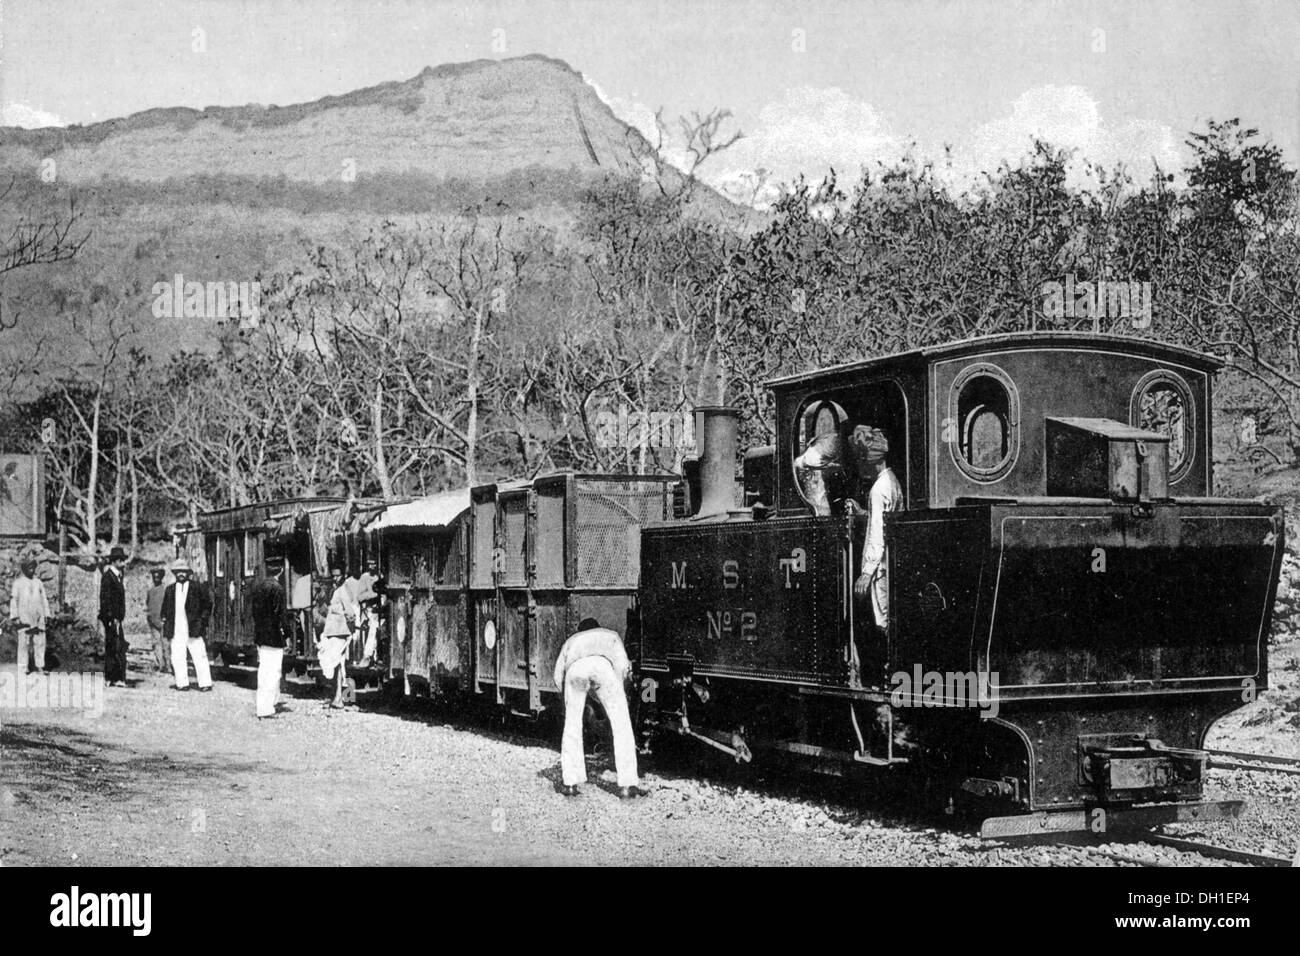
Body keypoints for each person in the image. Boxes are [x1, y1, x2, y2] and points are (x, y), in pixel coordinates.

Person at [552, 617, 641, 799]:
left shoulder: (571, 640)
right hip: (603, 668)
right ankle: (627, 784)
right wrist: (616, 691)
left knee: (572, 726)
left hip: (575, 670)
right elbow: (623, 667)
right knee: (621, 724)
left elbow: (557, 675)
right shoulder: (610, 635)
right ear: (597, 627)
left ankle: (570, 784)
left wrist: (567, 699)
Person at [849, 425, 903, 681]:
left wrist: (865, 573)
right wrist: (863, 513)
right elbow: (881, 519)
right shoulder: (891, 481)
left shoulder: (877, 489)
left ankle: (887, 676)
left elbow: (877, 534)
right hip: (892, 560)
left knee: (882, 619)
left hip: (881, 566)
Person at [163, 557, 214, 692]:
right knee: (177, 656)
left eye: (183, 571)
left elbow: (207, 605)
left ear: (188, 573)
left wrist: (202, 621)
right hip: (176, 627)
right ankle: (182, 683)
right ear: (174, 573)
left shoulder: (197, 587)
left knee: (199, 654)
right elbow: (165, 609)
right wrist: (167, 625)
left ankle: (205, 683)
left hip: (193, 627)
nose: (180, 574)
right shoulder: (170, 590)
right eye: (178, 571)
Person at [248, 562, 288, 720]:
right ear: (282, 570)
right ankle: (267, 708)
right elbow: (281, 615)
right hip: (274, 636)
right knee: (273, 672)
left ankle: (265, 704)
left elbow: (254, 612)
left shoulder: (258, 588)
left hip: (261, 635)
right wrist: (288, 634)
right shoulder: (278, 588)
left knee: (264, 671)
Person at [319, 565, 358, 709]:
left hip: (341, 632)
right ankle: (340, 698)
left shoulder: (343, 591)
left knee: (339, 664)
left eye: (338, 576)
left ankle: (344, 698)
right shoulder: (335, 591)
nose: (335, 578)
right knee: (339, 665)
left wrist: (352, 628)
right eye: (333, 576)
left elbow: (350, 612)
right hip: (334, 632)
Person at [9, 557, 50, 674]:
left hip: (38, 616)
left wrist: (46, 614)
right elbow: (13, 600)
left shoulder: (38, 583)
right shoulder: (18, 583)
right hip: (24, 616)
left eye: (33, 567)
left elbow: (44, 599)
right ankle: (23, 666)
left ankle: (40, 665)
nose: (31, 570)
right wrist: (15, 616)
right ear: (24, 569)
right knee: (24, 642)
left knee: (40, 641)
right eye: (29, 567)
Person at [99, 546, 129, 687]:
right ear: (116, 561)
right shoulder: (108, 577)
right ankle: (113, 677)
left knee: (116, 646)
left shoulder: (118, 576)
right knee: (114, 647)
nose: (123, 563)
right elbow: (105, 600)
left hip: (117, 619)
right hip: (112, 619)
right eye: (121, 561)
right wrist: (111, 618)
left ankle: (114, 677)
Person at [355, 556, 385, 667]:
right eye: (370, 564)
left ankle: (379, 657)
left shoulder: (381, 577)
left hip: (380, 610)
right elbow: (359, 596)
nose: (372, 566)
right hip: (369, 611)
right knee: (373, 628)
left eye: (374, 564)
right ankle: (367, 656)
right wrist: (372, 595)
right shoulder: (364, 577)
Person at [145, 566, 169, 672]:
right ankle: (161, 665)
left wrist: (165, 619)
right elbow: (148, 604)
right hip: (153, 621)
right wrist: (150, 617)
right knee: (156, 644)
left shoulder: (165, 590)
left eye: (158, 577)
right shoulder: (150, 591)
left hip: (163, 621)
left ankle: (169, 665)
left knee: (166, 645)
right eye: (154, 577)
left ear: (161, 578)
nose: (156, 579)